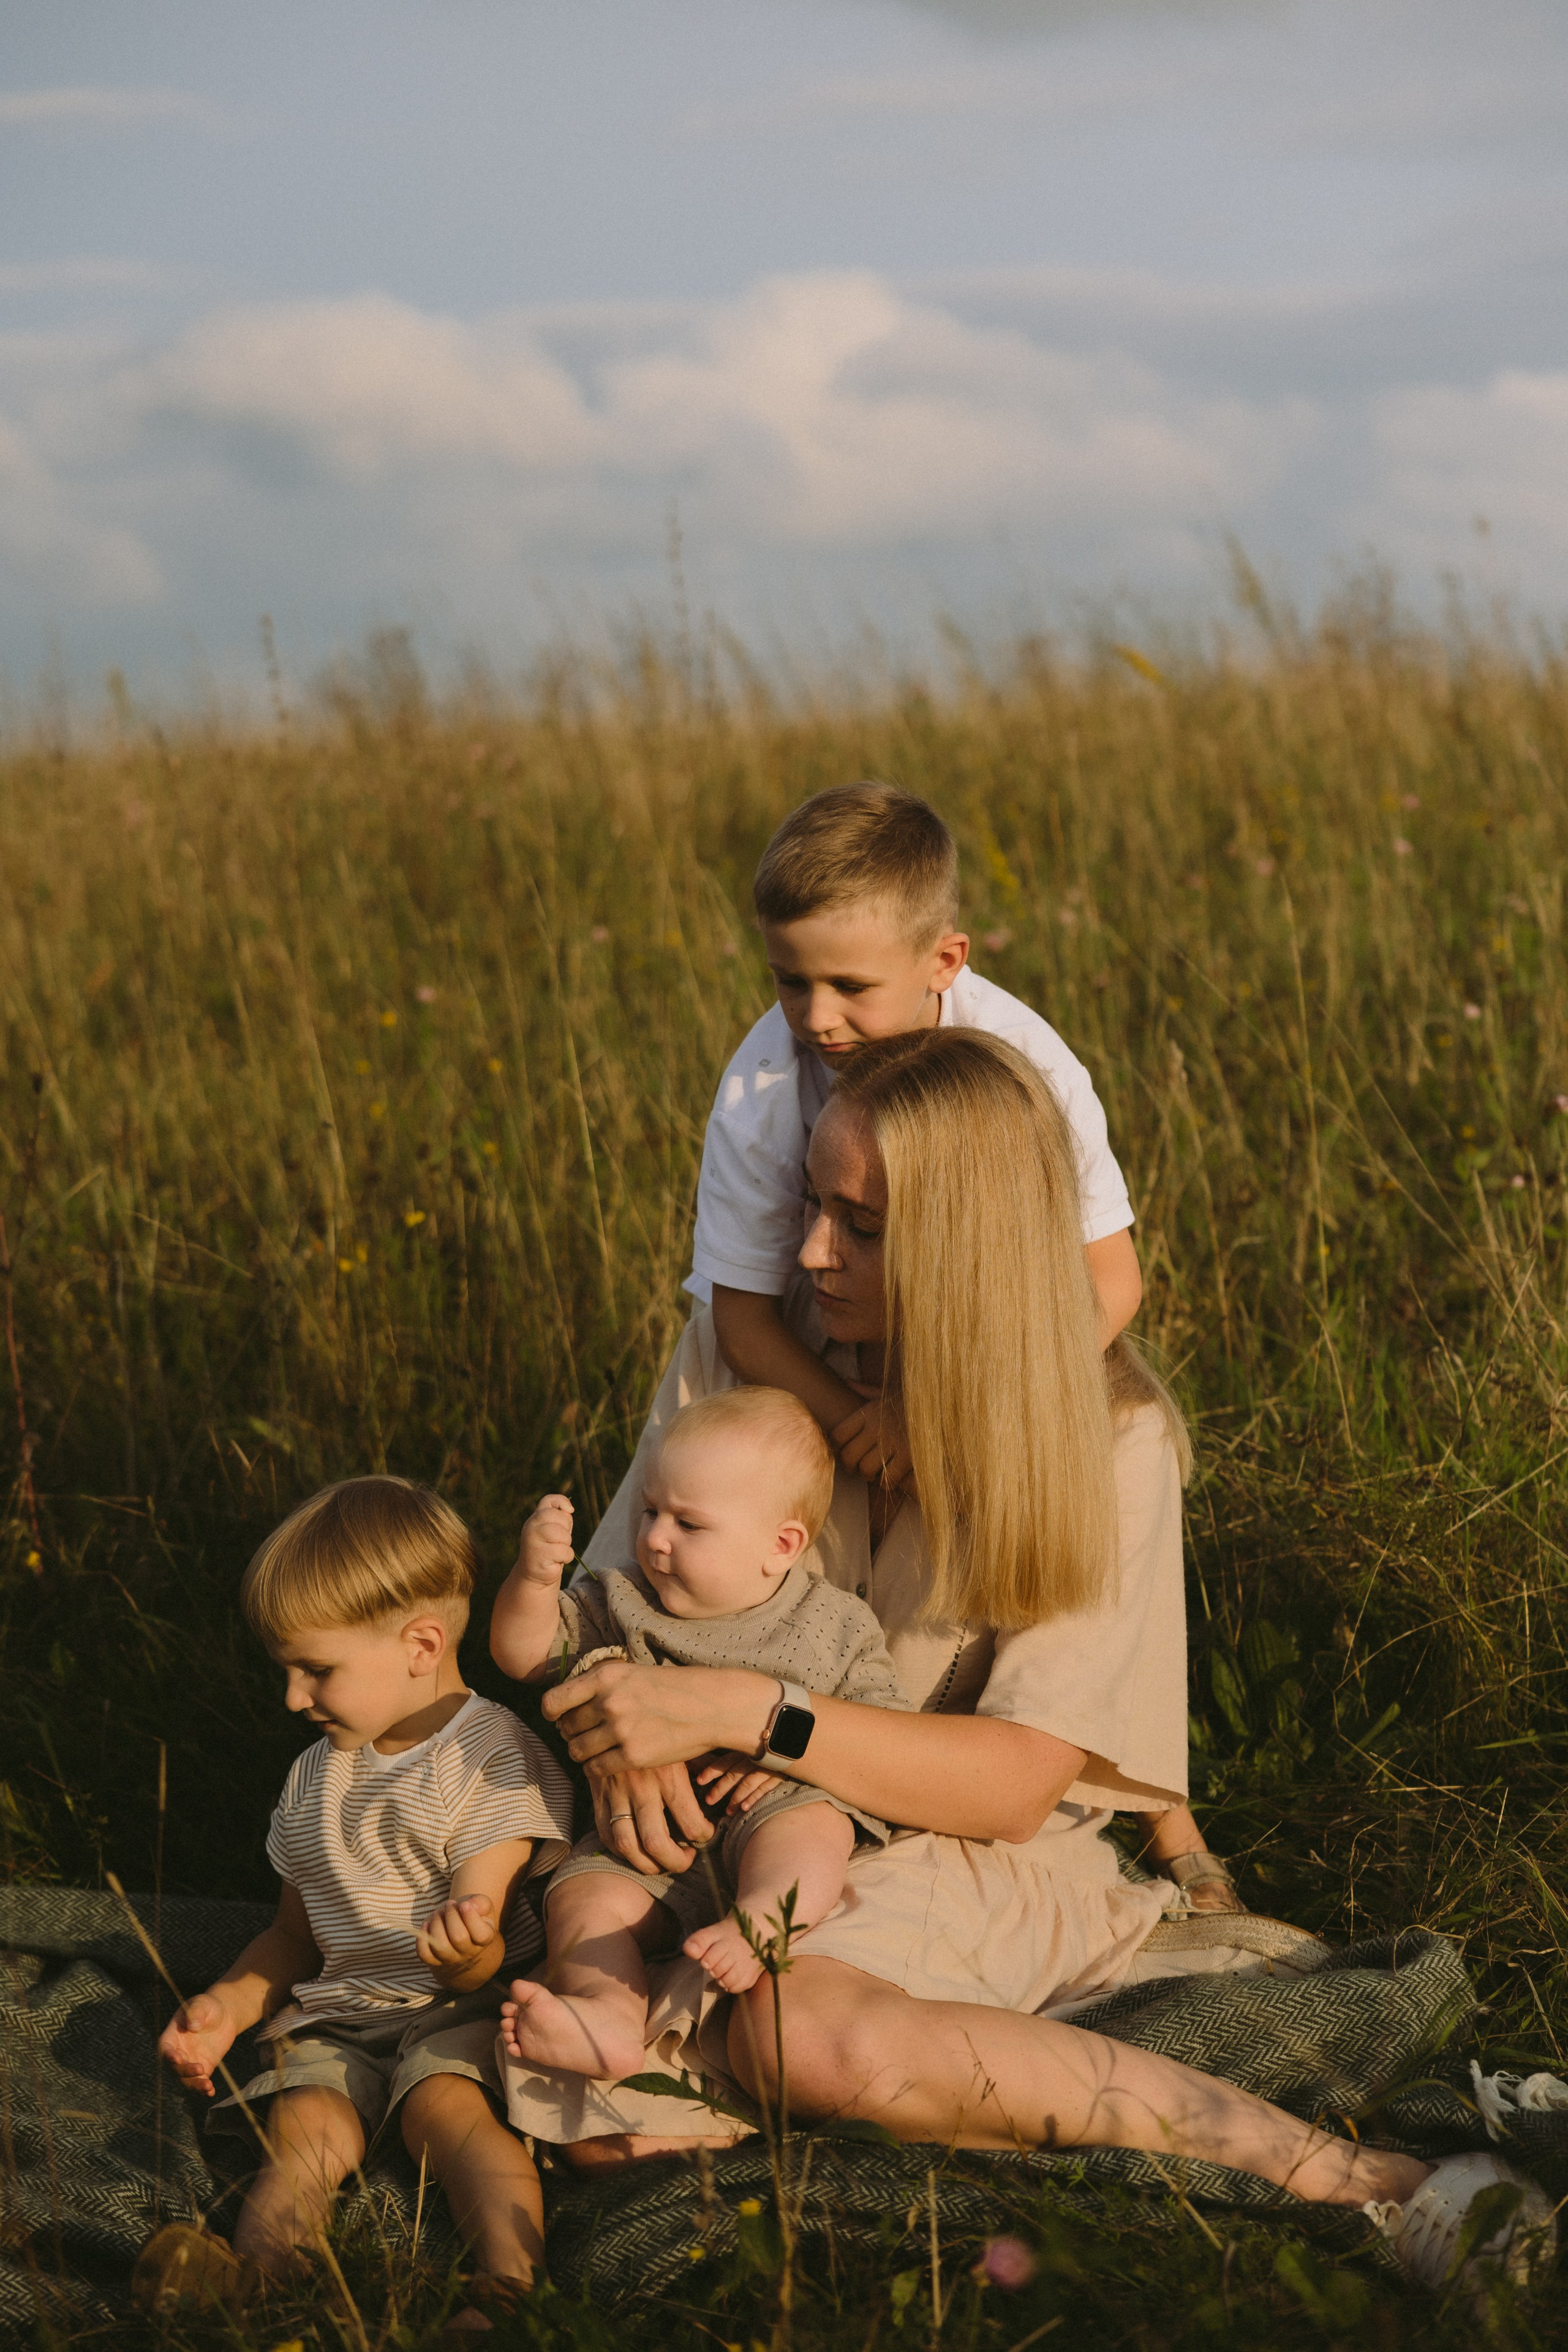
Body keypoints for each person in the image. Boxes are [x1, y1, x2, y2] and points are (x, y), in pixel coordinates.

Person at [507, 1030, 1553, 2294]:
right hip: (698, 1836)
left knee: (794, 2038)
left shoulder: (1103, 1439)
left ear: (968, 1247)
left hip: (964, 1847)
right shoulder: (747, 1359)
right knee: (606, 2099)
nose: (808, 1254)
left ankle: (1360, 2183)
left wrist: (741, 1710)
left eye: (863, 1225)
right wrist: (617, 1747)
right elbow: (594, 1612)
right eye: (811, 1208)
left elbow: (1011, 1786)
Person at [690, 779, 1229, 1909]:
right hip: (835, 1335)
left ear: (945, 962)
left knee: (1098, 1498)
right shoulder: (763, 1088)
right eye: (791, 981)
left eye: (850, 985)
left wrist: (959, 1415)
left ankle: (1167, 1825)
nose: (818, 1016)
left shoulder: (1023, 1061)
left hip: (1002, 1339)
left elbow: (1107, 1279)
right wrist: (854, 1421)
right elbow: (741, 1312)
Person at [138, 1478, 574, 2339]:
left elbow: (486, 1934)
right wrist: (227, 2006)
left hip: (466, 2007)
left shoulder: (488, 1757)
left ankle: (509, 2288)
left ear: (421, 1644)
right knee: (305, 2124)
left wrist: (468, 1952)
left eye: (316, 1670)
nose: (293, 1699)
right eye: (288, 1671)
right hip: (346, 2015)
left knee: (444, 2113)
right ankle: (261, 2277)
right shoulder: (316, 1777)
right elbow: (292, 1936)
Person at [489, 1387, 910, 2082]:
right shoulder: (623, 1599)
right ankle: (606, 2017)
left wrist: (802, 1758)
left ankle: (760, 1926)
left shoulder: (834, 1624)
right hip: (646, 1840)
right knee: (581, 1900)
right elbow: (526, 1656)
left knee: (810, 1837)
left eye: (689, 1524)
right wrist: (535, 1580)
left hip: (771, 1809)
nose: (653, 1537)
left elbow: (885, 1733)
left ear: (781, 1546)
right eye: (651, 1511)